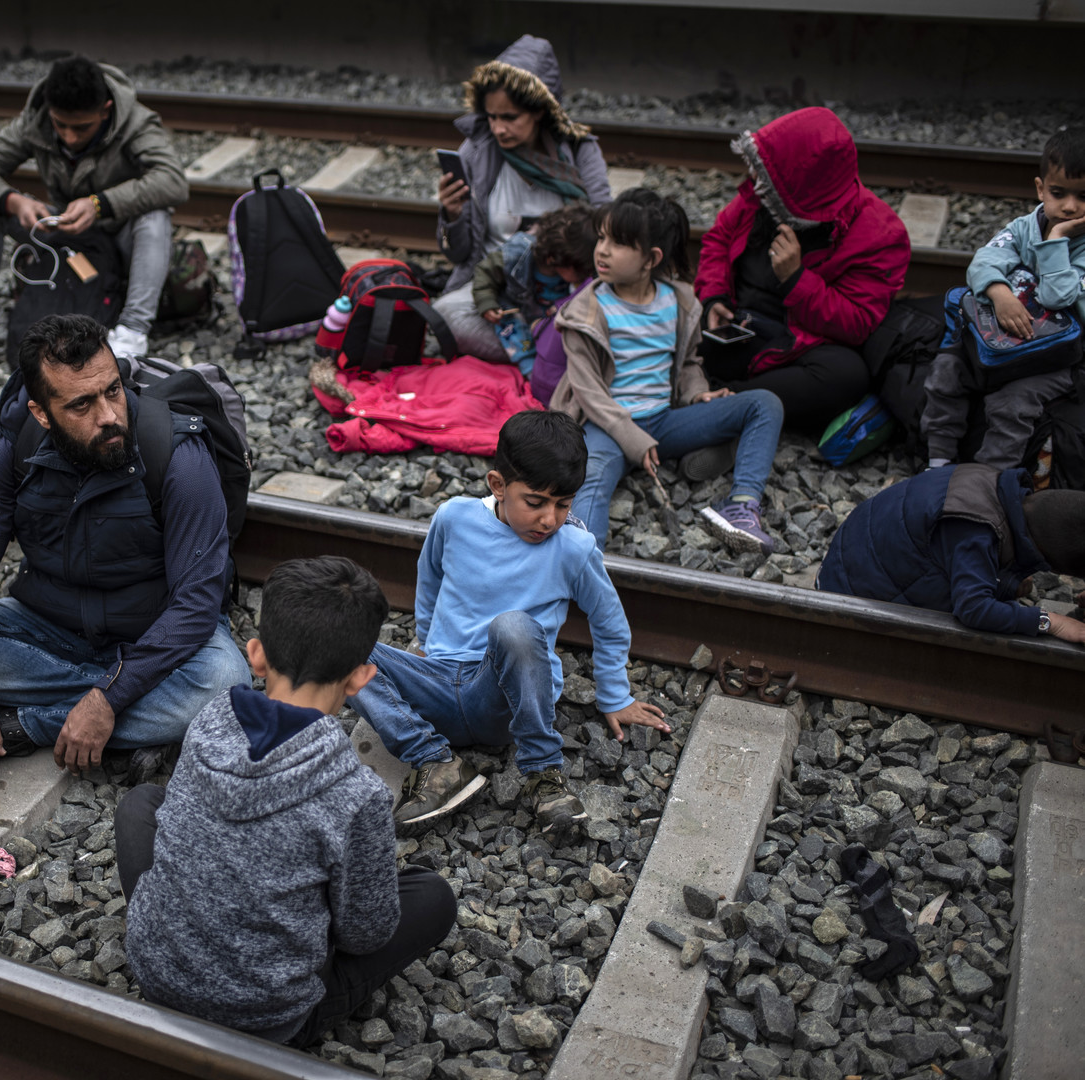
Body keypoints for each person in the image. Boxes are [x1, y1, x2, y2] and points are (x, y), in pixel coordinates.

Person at [119, 556, 457, 1045]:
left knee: (141, 804)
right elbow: (365, 934)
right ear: (363, 678)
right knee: (433, 896)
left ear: (255, 654)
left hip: (159, 979)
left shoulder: (206, 725)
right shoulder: (356, 794)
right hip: (270, 1020)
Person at [0, 314, 248, 777]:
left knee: (225, 683)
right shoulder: (14, 447)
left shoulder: (177, 455)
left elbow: (196, 605)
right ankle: (141, 723)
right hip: (51, 624)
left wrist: (106, 700)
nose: (109, 416)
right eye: (81, 405)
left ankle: (35, 723)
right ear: (41, 413)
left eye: (112, 390)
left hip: (156, 631)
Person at [349, 411, 670, 834]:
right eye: (535, 502)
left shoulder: (574, 547)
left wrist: (614, 694)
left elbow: (608, 621)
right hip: (437, 686)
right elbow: (429, 578)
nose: (549, 519)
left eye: (564, 505)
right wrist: (425, 642)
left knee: (513, 625)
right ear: (498, 485)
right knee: (338, 641)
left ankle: (543, 776)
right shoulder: (454, 518)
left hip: (502, 701)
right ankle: (433, 760)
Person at [0, 55, 188, 375]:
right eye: (61, 125)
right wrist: (13, 201)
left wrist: (101, 203)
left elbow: (173, 182)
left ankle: (131, 336)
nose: (70, 137)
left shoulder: (136, 123)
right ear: (49, 110)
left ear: (105, 110)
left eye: (82, 128)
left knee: (156, 216)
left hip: (118, 236)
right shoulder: (37, 121)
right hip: (66, 232)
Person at [552, 188, 786, 555]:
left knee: (764, 404)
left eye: (618, 242)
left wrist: (697, 394)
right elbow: (588, 391)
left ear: (650, 260)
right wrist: (632, 439)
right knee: (591, 475)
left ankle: (741, 504)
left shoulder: (678, 302)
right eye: (601, 237)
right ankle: (581, 560)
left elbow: (689, 361)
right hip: (607, 425)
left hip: (663, 421)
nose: (602, 250)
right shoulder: (585, 311)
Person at [694, 107, 910, 431]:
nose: (755, 179)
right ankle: (732, 419)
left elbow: (857, 322)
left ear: (800, 185)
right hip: (733, 330)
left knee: (847, 375)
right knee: (658, 315)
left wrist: (796, 280)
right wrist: (715, 298)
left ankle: (725, 406)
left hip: (792, 351)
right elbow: (719, 239)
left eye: (768, 173)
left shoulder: (880, 232)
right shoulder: (764, 194)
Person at [433, 35, 612, 362]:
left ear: (540, 111)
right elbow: (456, 252)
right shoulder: (477, 151)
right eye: (491, 117)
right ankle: (548, 355)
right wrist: (452, 214)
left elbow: (603, 228)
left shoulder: (580, 152)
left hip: (559, 290)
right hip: (495, 289)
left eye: (510, 117)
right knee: (445, 315)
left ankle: (534, 351)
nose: (499, 129)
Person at [920, 126, 1085, 469]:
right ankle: (938, 461)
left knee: (1012, 404)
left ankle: (988, 479)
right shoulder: (1025, 226)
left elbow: (1058, 298)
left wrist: (1056, 239)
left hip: (1059, 359)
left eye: (1083, 196)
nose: (1070, 207)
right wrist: (998, 292)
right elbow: (984, 260)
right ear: (1040, 189)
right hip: (1006, 338)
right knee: (946, 372)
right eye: (1059, 193)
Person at [818, 463, 1085, 643]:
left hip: (858, 554)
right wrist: (1050, 622)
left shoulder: (997, 487)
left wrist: (1010, 579)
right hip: (849, 594)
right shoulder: (977, 532)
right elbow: (973, 608)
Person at [470, 203, 597, 384]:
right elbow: (484, 274)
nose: (587, 273)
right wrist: (487, 303)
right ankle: (530, 368)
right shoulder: (515, 254)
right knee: (513, 331)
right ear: (555, 259)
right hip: (516, 309)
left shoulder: (572, 262)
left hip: (548, 314)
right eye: (582, 269)